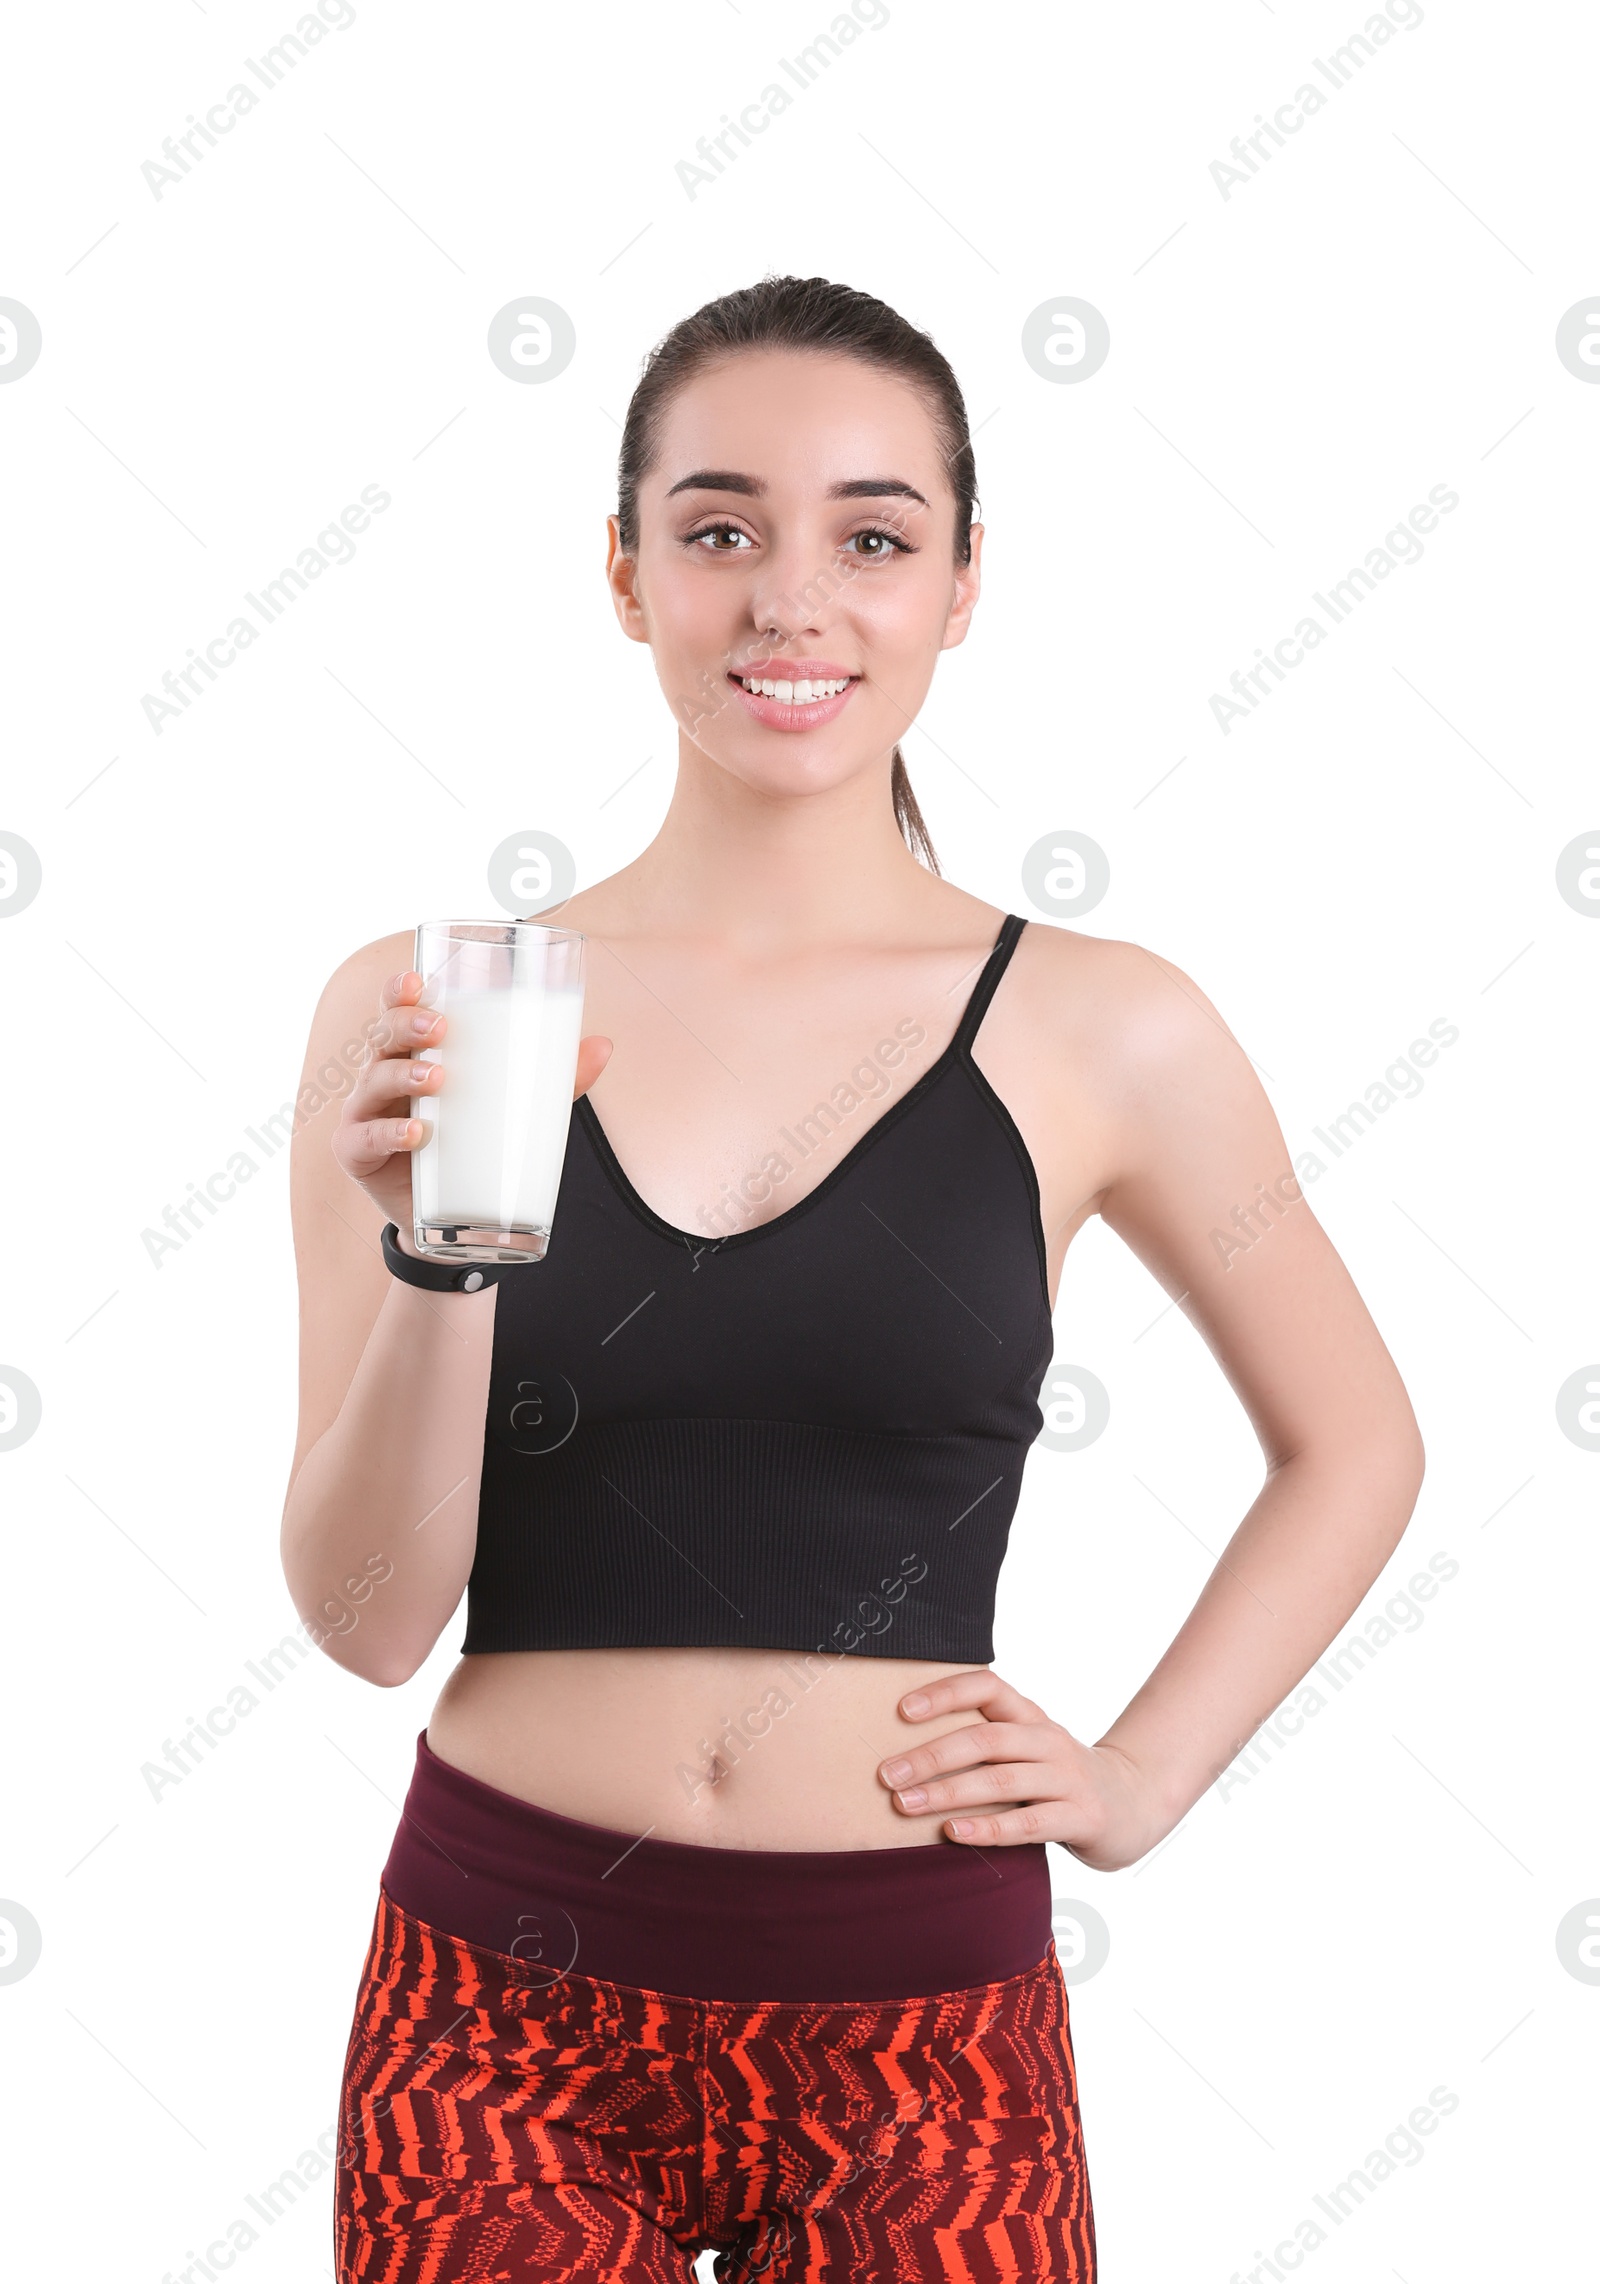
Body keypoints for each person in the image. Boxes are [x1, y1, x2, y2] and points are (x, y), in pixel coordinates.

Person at [284, 274, 1424, 2284]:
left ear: (960, 585)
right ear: (626, 573)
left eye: (871, 536)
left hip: (926, 2020)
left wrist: (1138, 1774)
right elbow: (373, 1620)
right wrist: (439, 1254)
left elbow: (1354, 1441)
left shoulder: (1103, 1027)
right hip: (495, 2000)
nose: (790, 599)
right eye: (717, 527)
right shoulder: (427, 1009)